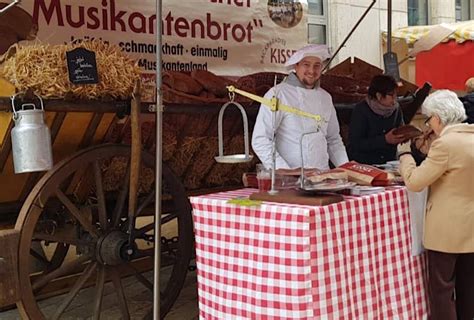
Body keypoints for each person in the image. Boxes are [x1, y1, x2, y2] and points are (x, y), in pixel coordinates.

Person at [397, 89, 474, 320]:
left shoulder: (445, 145)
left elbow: (414, 182)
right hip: (470, 229)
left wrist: (405, 156)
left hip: (446, 232)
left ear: (438, 119)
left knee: (442, 292)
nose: (429, 124)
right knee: (468, 291)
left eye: (428, 119)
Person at [251, 44, 348, 170]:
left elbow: (333, 139)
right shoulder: (278, 94)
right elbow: (261, 139)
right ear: (296, 66)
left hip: (322, 176)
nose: (312, 71)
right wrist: (284, 171)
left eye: (317, 66)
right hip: (289, 177)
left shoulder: (326, 98)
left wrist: (347, 169)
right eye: (306, 65)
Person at [348, 74, 405, 164]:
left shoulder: (396, 109)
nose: (394, 99)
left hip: (390, 162)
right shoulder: (361, 110)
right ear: (379, 95)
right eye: (391, 95)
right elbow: (356, 143)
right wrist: (384, 139)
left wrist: (404, 136)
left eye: (396, 95)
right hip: (365, 163)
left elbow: (401, 128)